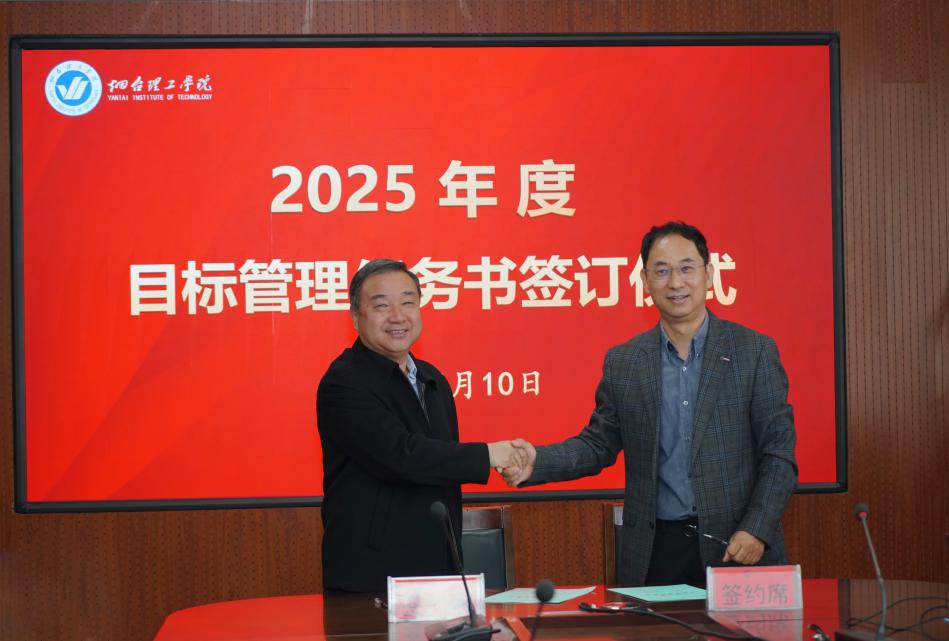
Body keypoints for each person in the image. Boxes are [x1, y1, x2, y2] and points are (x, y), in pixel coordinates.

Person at [503, 222, 797, 587]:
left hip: (737, 546)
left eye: (687, 268)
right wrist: (538, 461)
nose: (675, 282)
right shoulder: (625, 362)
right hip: (657, 552)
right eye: (661, 271)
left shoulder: (753, 352)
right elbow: (598, 445)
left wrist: (756, 528)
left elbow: (779, 454)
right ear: (644, 281)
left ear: (709, 274)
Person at [317, 258, 517, 592]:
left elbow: (442, 468)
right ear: (355, 317)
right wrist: (489, 455)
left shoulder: (431, 378)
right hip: (372, 578)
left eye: (408, 302)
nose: (398, 316)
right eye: (381, 305)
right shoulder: (344, 382)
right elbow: (402, 456)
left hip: (440, 569)